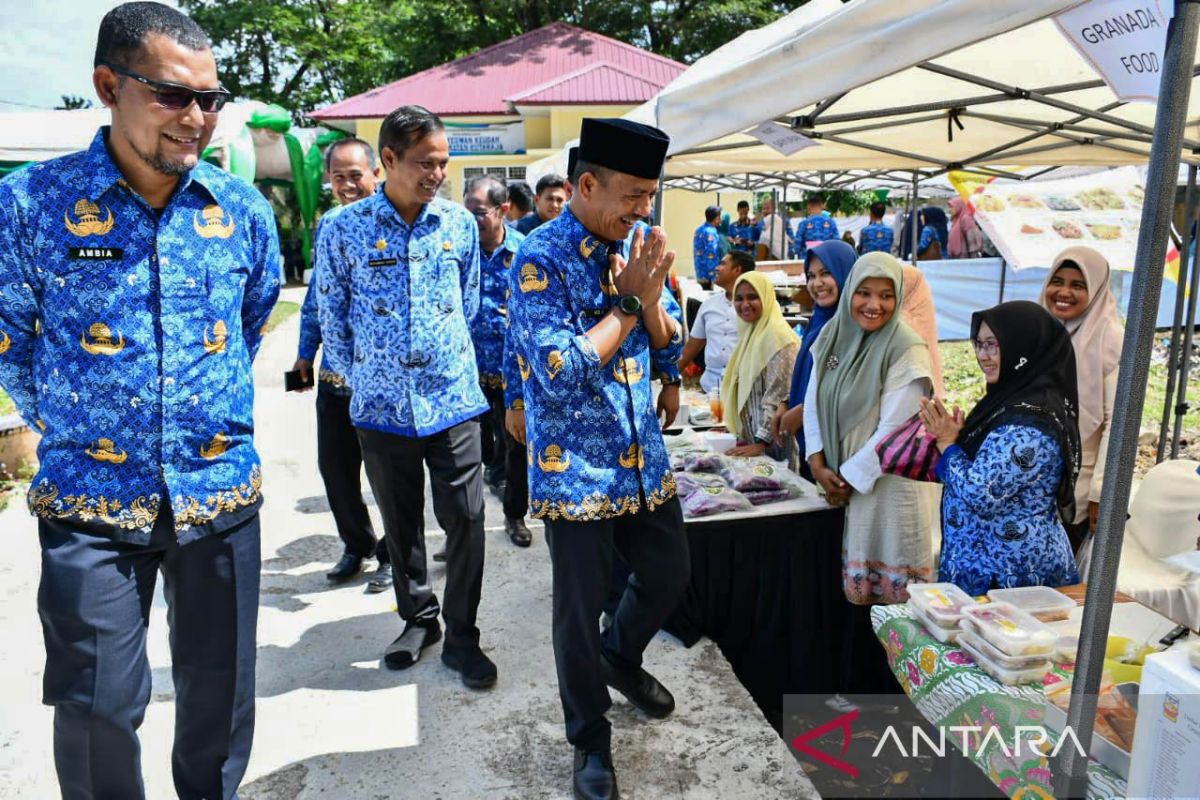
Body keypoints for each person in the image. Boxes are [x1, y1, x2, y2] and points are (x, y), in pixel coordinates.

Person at [0, 4, 280, 797]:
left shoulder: (241, 212)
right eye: (171, 95)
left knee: (218, 706)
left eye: (211, 99)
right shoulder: (31, 207)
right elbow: (9, 337)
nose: (197, 119)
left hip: (219, 496)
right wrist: (86, 422)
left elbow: (250, 320)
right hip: (90, 502)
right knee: (94, 709)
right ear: (107, 85)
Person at [507, 117, 688, 800]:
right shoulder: (539, 256)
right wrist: (624, 301)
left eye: (651, 195)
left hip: (642, 451)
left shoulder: (642, 242)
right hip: (573, 464)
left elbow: (669, 339)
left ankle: (622, 656)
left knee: (670, 573)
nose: (644, 210)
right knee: (577, 613)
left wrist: (655, 320)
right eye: (634, 196)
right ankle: (590, 741)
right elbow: (556, 368)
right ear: (587, 184)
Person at [316, 105, 496, 689]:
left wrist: (442, 360)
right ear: (388, 159)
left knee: (467, 517)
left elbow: (466, 306)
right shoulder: (343, 229)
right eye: (424, 163)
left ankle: (463, 634)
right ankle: (419, 619)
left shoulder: (459, 225)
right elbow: (332, 313)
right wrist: (362, 375)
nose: (437, 174)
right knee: (401, 523)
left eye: (443, 163)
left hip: (453, 401)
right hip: (381, 407)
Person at [803, 253, 939, 708]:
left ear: (899, 298)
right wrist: (818, 462)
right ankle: (855, 690)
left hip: (890, 491)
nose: (873, 305)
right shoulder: (833, 334)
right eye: (864, 292)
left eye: (886, 295)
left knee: (891, 602)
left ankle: (891, 701)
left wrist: (840, 479)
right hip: (848, 483)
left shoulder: (906, 347)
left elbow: (893, 430)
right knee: (859, 600)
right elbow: (814, 398)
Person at [920, 301, 1082, 596]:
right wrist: (957, 440)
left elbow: (980, 494)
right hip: (985, 568)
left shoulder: (1029, 422)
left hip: (1010, 576)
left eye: (994, 345)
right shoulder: (1008, 402)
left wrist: (947, 444)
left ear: (1023, 346)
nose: (984, 356)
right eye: (979, 345)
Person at [295, 137, 393, 588]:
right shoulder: (329, 226)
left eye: (356, 175)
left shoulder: (395, 222)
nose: (348, 185)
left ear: (376, 173)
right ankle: (358, 544)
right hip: (336, 380)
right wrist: (303, 354)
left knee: (388, 475)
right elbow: (318, 301)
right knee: (335, 470)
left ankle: (395, 553)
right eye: (338, 177)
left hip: (380, 381)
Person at [1039, 246, 1123, 550]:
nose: (1064, 292)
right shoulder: (1039, 330)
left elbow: (1119, 423)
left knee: (1061, 589)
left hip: (1077, 490)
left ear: (1097, 289)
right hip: (1030, 483)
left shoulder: (1110, 337)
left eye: (1078, 285)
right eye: (1057, 281)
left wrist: (1102, 494)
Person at [463, 174, 531, 547]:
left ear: (504, 210)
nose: (472, 219)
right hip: (468, 374)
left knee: (516, 451)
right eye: (467, 210)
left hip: (512, 376)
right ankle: (461, 528)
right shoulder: (459, 250)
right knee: (465, 457)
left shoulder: (525, 253)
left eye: (479, 212)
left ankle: (514, 515)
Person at [772, 240, 857, 472]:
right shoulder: (819, 322)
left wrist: (803, 412)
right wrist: (788, 402)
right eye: (810, 276)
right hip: (810, 448)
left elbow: (850, 390)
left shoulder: (853, 328)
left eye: (826, 273)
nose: (816, 283)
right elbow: (811, 376)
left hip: (839, 454)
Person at [721, 272, 801, 461]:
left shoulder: (779, 339)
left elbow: (779, 396)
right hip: (752, 444)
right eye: (739, 298)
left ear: (766, 298)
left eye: (753, 297)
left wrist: (761, 442)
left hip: (774, 446)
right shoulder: (751, 335)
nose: (745, 304)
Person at [678, 251, 752, 395]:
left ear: (737, 270)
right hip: (711, 388)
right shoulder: (708, 305)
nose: (717, 268)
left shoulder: (755, 308)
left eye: (723, 264)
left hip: (745, 390)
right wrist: (669, 379)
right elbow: (691, 348)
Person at [794, 194, 840, 258]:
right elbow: (837, 242)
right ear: (822, 206)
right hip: (826, 258)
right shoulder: (831, 222)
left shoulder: (803, 224)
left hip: (808, 258)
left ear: (808, 206)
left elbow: (797, 246)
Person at [692, 205, 722, 288]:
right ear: (716, 218)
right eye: (720, 216)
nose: (721, 219)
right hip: (708, 277)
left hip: (700, 273)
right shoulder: (711, 232)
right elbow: (711, 255)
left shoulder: (699, 229)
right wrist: (714, 278)